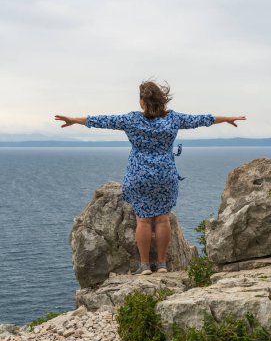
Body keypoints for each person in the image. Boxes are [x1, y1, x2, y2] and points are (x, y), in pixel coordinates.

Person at [54, 80, 246, 275]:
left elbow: (101, 120)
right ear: (162, 101)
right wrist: (228, 118)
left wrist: (74, 120)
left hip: (139, 175)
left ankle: (145, 265)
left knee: (143, 221)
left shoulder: (131, 120)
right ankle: (162, 265)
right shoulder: (173, 119)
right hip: (165, 174)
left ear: (142, 102)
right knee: (162, 219)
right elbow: (203, 119)